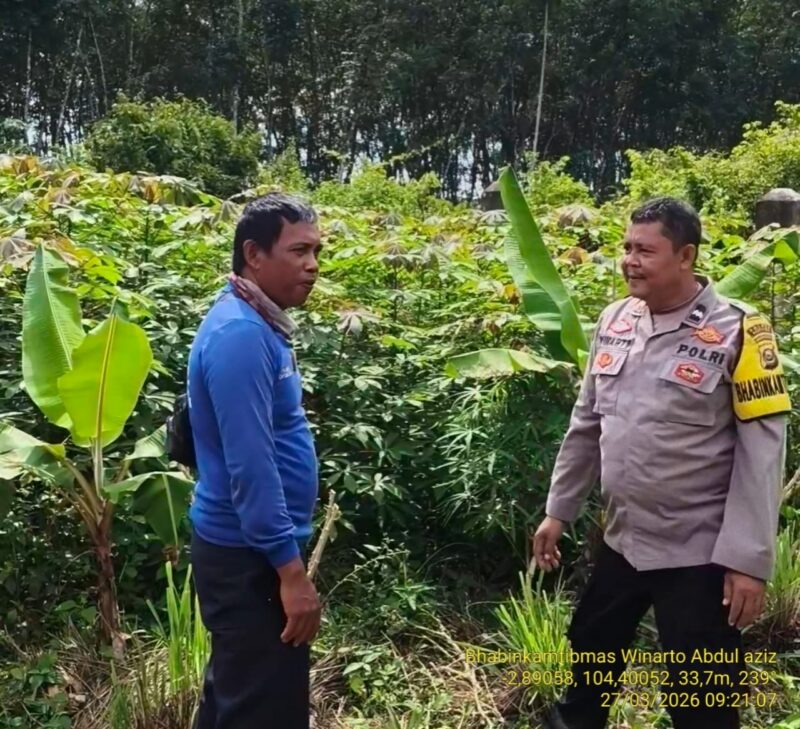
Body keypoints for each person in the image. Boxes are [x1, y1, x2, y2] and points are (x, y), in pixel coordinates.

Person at [534, 197, 790, 729]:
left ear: (686, 256)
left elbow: (763, 455)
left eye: (645, 251)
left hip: (699, 553)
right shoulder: (616, 319)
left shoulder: (740, 331)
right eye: (627, 247)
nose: (629, 261)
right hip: (622, 540)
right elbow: (587, 423)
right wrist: (559, 510)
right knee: (589, 662)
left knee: (701, 700)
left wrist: (748, 562)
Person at [187, 193, 323, 729]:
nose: (312, 265)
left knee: (239, 700)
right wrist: (290, 572)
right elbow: (251, 466)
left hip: (252, 550)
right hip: (249, 557)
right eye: (299, 251)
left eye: (316, 252)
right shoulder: (240, 335)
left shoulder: (258, 324)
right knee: (262, 710)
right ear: (253, 254)